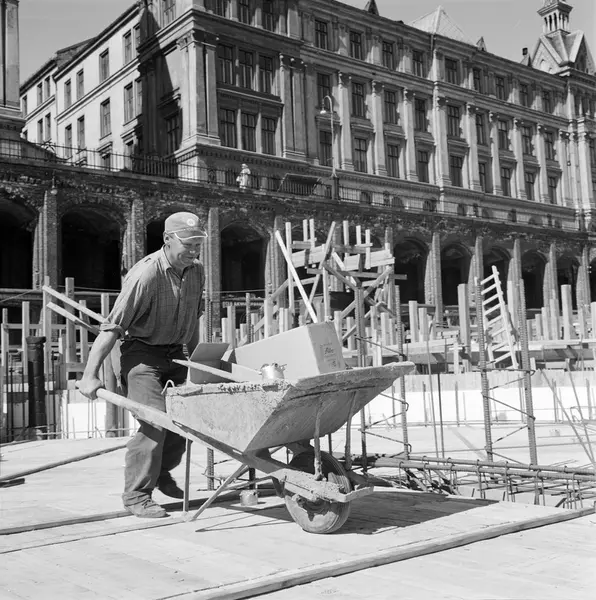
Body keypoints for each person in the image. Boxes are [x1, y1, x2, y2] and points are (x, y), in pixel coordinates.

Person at [79, 212, 206, 518]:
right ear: (168, 240)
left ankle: (160, 471)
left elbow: (194, 318)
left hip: (175, 353)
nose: (192, 250)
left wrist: (197, 361)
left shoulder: (197, 271)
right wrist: (89, 375)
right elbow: (112, 327)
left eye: (197, 244)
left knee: (185, 419)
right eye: (187, 244)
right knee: (154, 422)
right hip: (140, 354)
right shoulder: (146, 274)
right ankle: (136, 494)